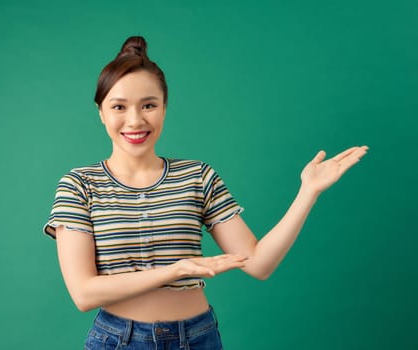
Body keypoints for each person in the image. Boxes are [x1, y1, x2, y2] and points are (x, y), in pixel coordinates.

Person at [43, 36, 369, 349]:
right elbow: (83, 293)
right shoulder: (80, 185)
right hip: (119, 341)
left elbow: (258, 264)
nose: (135, 120)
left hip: (197, 338)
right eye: (119, 106)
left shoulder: (197, 176)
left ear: (165, 108)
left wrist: (308, 192)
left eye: (149, 105)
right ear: (100, 112)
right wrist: (176, 270)